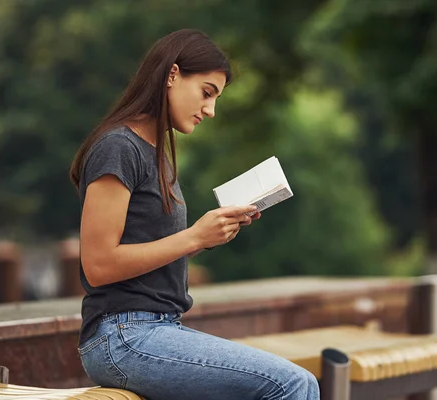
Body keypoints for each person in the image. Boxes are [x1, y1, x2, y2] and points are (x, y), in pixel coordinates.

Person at [68, 29, 320, 400]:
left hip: (158, 329)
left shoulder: (157, 154)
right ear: (172, 75)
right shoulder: (118, 148)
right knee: (294, 384)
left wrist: (211, 235)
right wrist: (195, 237)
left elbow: (148, 250)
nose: (210, 110)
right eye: (206, 93)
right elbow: (99, 264)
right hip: (121, 336)